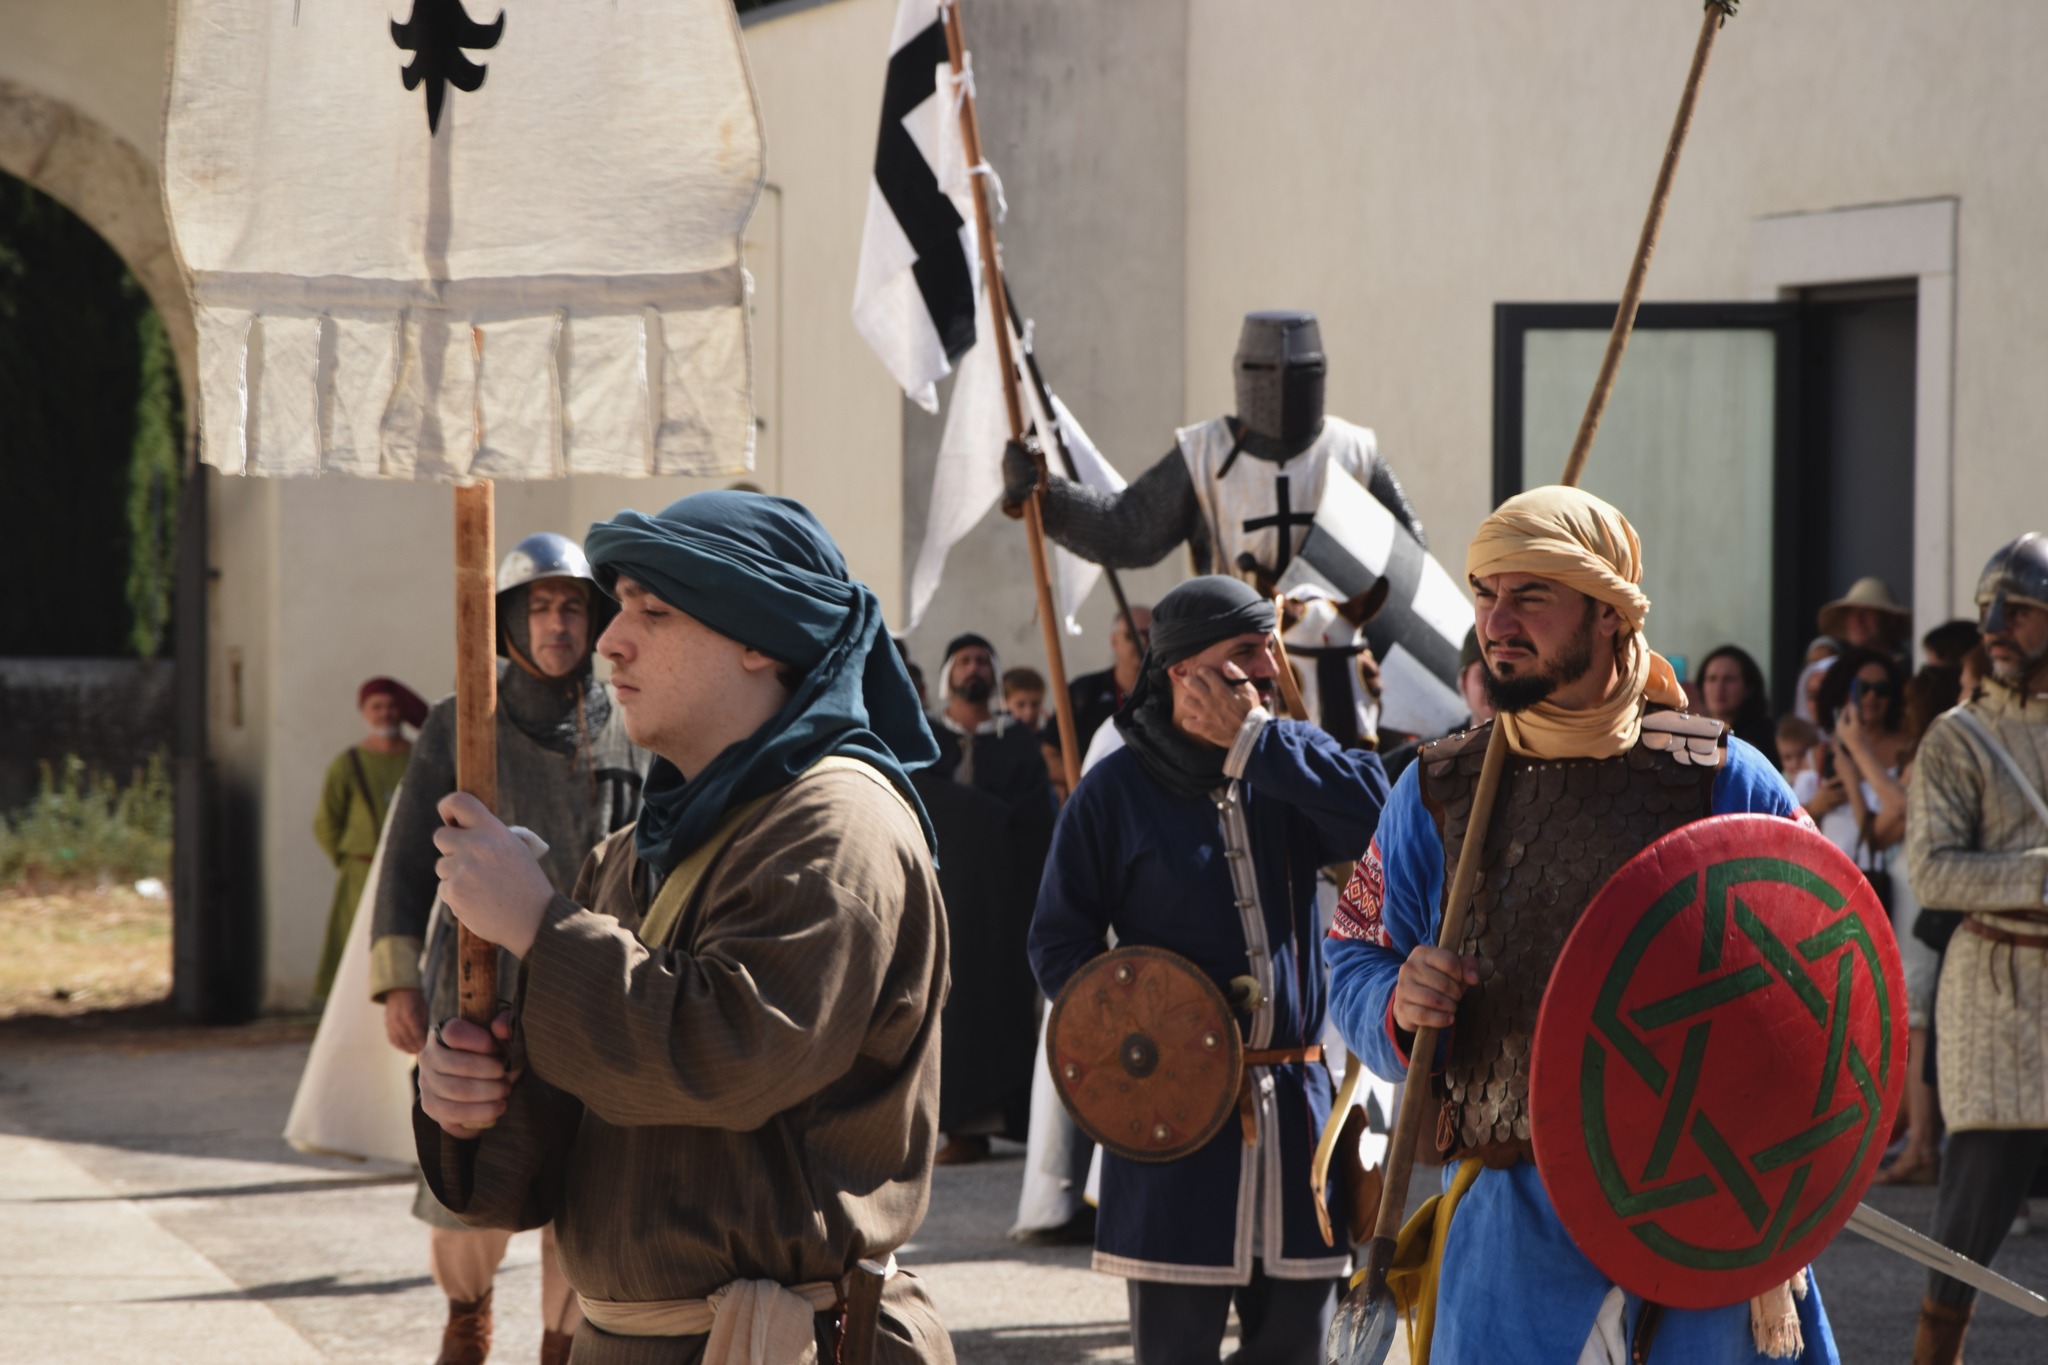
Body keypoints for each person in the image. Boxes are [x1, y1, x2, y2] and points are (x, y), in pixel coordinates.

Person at [415, 491, 953, 1365]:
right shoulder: (627, 855)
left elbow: (730, 1056)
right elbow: (544, 1152)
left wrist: (542, 929)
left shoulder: (840, 824)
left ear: (759, 640)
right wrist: (467, 1098)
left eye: (653, 612)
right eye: (618, 605)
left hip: (779, 1344)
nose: (607, 639)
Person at [1326, 486, 1838, 1364]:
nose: (1497, 619)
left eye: (1530, 595)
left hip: (1701, 1205)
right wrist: (1399, 1001)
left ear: (1607, 612)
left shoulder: (1722, 779)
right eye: (1486, 592)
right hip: (1510, 1221)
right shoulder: (1437, 789)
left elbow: (1827, 974)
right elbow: (1353, 953)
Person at [1029, 575, 1391, 1365]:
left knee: (1301, 1344)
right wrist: (1142, 1040)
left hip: (1298, 1117)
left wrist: (1266, 746)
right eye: (1244, 653)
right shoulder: (1113, 792)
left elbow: (1383, 817)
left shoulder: (1290, 763)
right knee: (1177, 1350)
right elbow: (1059, 944)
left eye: (1269, 648)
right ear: (1183, 674)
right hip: (1170, 1124)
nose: (1268, 667)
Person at [370, 533, 649, 1365]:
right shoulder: (465, 721)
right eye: (539, 605)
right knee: (466, 1179)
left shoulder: (630, 718)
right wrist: (396, 983)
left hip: (588, 987)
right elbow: (407, 851)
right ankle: (467, 1328)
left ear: (594, 617)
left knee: (578, 1184)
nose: (557, 623)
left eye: (572, 606)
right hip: (475, 990)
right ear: (506, 620)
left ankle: (562, 1348)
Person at [1904, 532, 2048, 1363]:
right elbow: (1932, 870)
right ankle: (1935, 1352)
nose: (1995, 623)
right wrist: (2039, 877)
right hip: (1996, 991)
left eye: (2019, 609)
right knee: (1973, 1201)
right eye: (1990, 607)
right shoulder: (1957, 738)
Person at [1005, 313, 1426, 586]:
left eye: (1297, 371)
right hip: (1233, 660)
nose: (1278, 383)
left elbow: (1411, 568)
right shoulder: (1204, 453)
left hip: (1338, 668)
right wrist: (1046, 494)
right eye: (1264, 370)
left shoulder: (1354, 452)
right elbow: (1129, 531)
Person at [916, 634, 1056, 1163]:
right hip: (945, 893)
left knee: (1004, 1004)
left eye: (982, 661)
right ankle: (960, 1128)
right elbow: (921, 801)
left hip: (1004, 897)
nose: (974, 669)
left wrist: (972, 813)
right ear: (950, 671)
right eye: (965, 660)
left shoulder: (1016, 739)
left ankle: (1008, 1119)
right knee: (951, 1006)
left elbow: (1034, 819)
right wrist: (983, 813)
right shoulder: (926, 736)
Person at [311, 677, 427, 1003]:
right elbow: (326, 822)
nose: (385, 714)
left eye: (391, 706)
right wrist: (351, 860)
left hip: (410, 871)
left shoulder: (420, 759)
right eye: (377, 707)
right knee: (355, 944)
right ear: (364, 712)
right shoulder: (347, 764)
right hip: (361, 872)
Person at [1065, 605, 1151, 756]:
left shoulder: (1172, 691)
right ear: (1114, 641)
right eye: (1132, 635)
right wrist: (1091, 776)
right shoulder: (1084, 690)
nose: (1143, 641)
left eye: (1150, 634)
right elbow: (1049, 753)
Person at [1697, 643, 1775, 754]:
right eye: (1712, 679)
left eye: (1729, 679)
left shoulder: (1767, 738)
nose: (1719, 687)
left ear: (1748, 688)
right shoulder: (1695, 733)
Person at [1817, 577, 1910, 656]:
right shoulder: (1843, 668)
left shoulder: (1905, 670)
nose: (1857, 619)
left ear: (1891, 619)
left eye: (1867, 611)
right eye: (1851, 612)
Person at [1775, 714, 1819, 783]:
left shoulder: (1819, 772)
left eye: (1801, 755)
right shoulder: (1782, 781)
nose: (1795, 764)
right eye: (1787, 758)